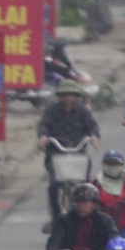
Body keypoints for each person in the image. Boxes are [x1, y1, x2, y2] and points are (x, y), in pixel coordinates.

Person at [37, 76, 100, 229]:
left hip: (78, 154)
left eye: (71, 95)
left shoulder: (83, 111)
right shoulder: (51, 110)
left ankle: (89, 214)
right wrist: (44, 137)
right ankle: (56, 218)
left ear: (76, 96)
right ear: (60, 96)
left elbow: (92, 126)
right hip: (56, 154)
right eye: (65, 95)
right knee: (53, 186)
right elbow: (43, 125)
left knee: (86, 186)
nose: (68, 98)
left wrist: (94, 136)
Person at [91, 148, 125, 232]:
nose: (113, 167)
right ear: (103, 165)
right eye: (110, 164)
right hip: (102, 228)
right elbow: (87, 196)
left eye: (116, 164)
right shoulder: (96, 183)